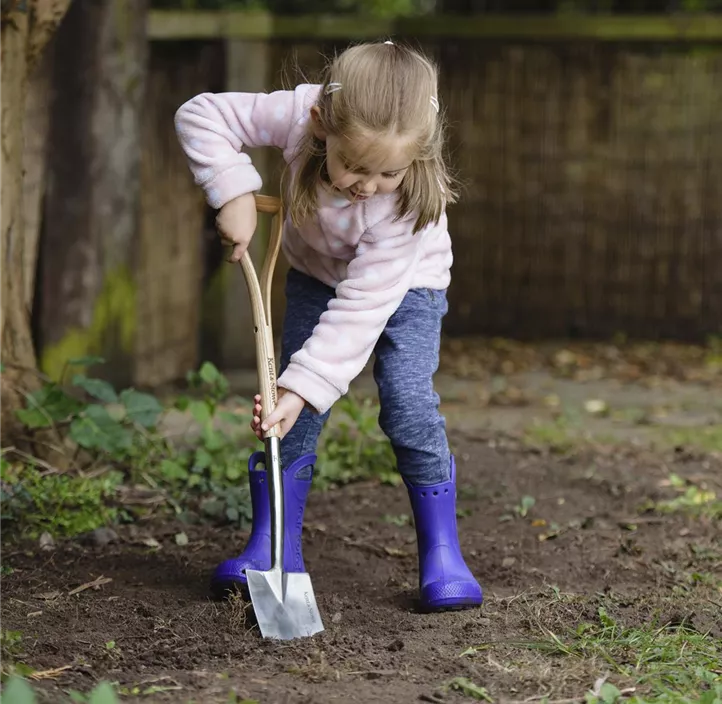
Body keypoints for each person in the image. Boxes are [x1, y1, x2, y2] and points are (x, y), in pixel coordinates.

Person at [174, 40, 482, 612]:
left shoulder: (408, 208)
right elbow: (202, 113)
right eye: (355, 166)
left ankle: (443, 554)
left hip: (406, 287)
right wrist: (233, 191)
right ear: (321, 124)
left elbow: (364, 307)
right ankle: (273, 551)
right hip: (317, 276)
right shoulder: (301, 113)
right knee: (288, 417)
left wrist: (305, 384)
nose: (367, 184)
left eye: (388, 171)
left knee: (407, 403)